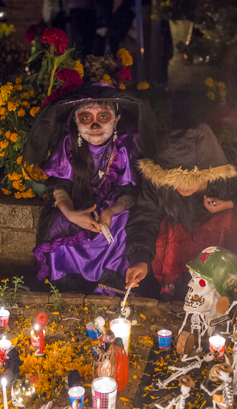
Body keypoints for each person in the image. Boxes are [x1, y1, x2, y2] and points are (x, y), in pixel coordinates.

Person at [23, 83, 158, 295]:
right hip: (76, 202)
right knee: (60, 221)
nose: (94, 126)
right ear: (76, 121)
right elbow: (59, 186)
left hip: (114, 205)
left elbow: (131, 191)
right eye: (86, 118)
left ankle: (110, 286)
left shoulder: (127, 143)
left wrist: (112, 211)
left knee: (122, 222)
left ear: (117, 119)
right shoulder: (69, 142)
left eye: (103, 117)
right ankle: (66, 283)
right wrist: (72, 214)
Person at [125, 122, 237, 297]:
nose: (182, 187)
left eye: (190, 179)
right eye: (175, 180)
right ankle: (175, 287)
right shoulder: (159, 179)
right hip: (178, 231)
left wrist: (231, 204)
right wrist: (140, 259)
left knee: (227, 219)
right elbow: (145, 216)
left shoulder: (234, 170)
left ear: (209, 173)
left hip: (220, 238)